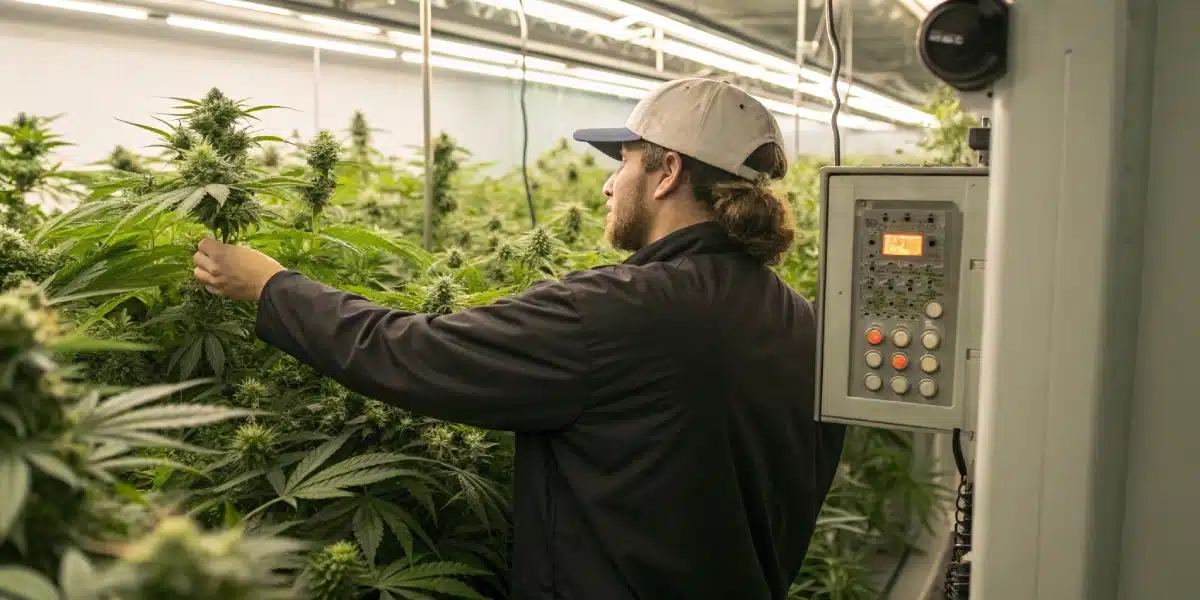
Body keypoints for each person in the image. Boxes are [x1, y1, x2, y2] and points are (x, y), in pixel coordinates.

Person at [192, 77, 846, 600]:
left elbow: (412, 351)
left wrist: (272, 287)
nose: (609, 184)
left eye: (623, 162)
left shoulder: (616, 312)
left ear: (667, 171)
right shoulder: (806, 324)